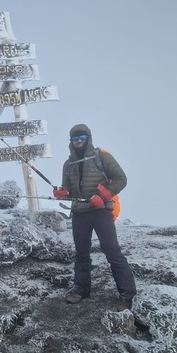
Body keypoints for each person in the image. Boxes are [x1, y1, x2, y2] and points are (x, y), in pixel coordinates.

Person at [53, 124, 136, 311]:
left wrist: (103, 196)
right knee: (81, 253)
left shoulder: (102, 156)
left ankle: (127, 295)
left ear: (88, 138)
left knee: (111, 251)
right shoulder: (68, 164)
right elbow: (68, 189)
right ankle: (81, 290)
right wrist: (62, 192)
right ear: (71, 142)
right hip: (79, 213)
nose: (79, 141)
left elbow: (121, 178)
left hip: (101, 212)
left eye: (82, 137)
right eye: (75, 138)